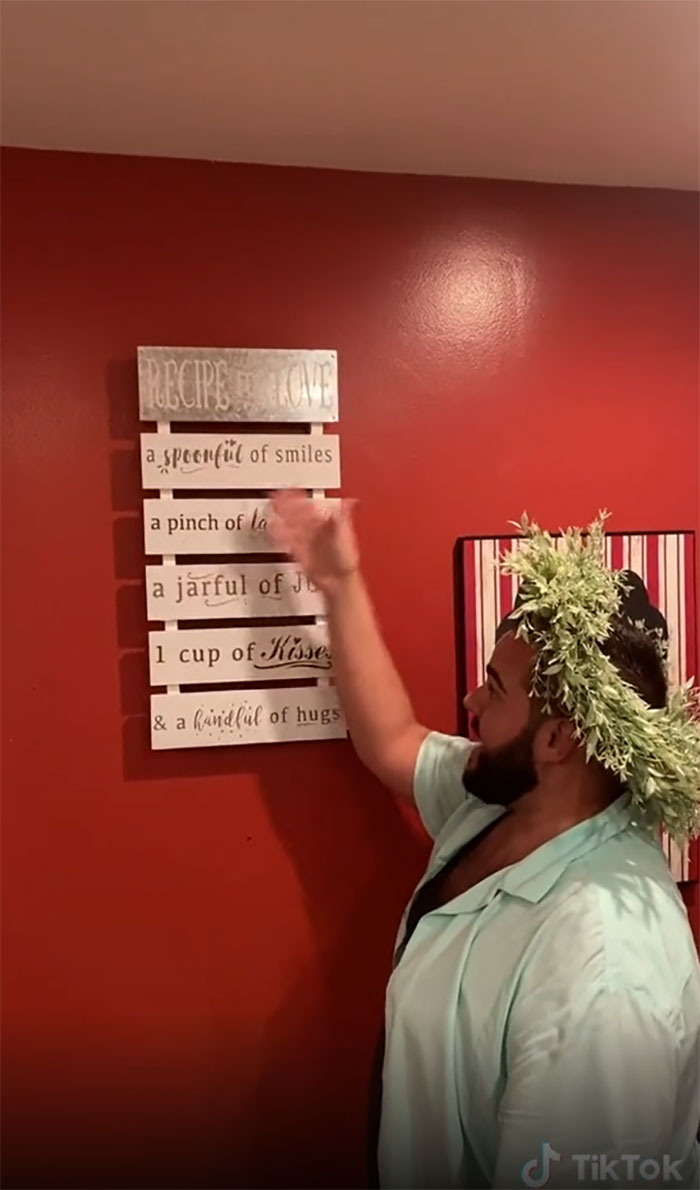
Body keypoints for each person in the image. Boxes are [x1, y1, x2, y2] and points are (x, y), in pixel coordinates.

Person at [269, 494, 700, 1190]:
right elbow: (394, 741)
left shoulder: (604, 966)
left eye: (494, 690)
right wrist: (339, 582)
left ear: (557, 739)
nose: (470, 702)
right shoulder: (506, 798)